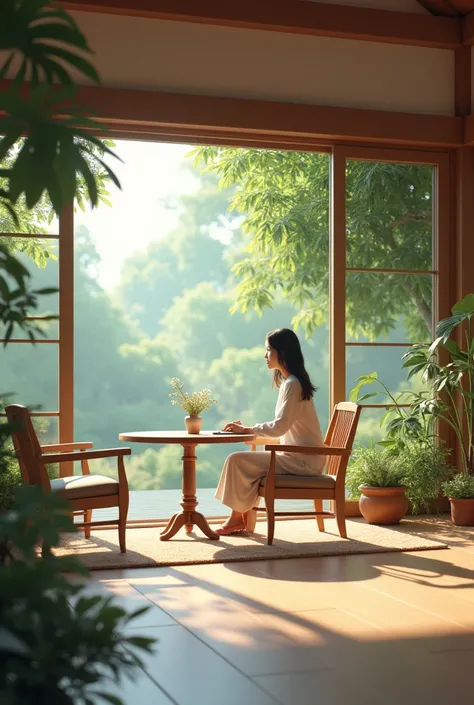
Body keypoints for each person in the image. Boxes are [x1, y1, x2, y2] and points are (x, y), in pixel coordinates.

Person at [215, 327, 327, 536]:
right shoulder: (291, 383)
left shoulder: (293, 385)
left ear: (282, 352)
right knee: (243, 462)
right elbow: (282, 427)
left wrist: (248, 429)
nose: (265, 355)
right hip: (297, 456)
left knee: (237, 460)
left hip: (302, 461)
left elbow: (279, 427)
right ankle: (237, 518)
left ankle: (237, 519)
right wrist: (249, 431)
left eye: (268, 350)